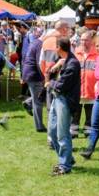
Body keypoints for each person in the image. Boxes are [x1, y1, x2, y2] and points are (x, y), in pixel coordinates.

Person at [45, 37, 81, 176]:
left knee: (62, 134)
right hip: (57, 98)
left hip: (65, 100)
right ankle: (68, 159)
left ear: (59, 48)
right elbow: (49, 73)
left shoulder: (72, 64)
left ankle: (65, 165)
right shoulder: (64, 61)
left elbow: (61, 86)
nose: (54, 49)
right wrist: (56, 66)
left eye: (56, 46)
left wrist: (50, 84)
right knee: (52, 132)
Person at [39, 20, 70, 148]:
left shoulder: (45, 41)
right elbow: (68, 60)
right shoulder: (64, 42)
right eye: (67, 28)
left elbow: (41, 61)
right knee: (61, 111)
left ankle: (50, 139)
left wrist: (46, 75)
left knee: (50, 110)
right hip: (60, 81)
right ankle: (58, 138)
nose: (68, 30)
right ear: (63, 29)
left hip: (48, 79)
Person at [71, 31, 97, 138]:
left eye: (86, 40)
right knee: (75, 112)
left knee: (89, 112)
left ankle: (88, 132)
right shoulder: (76, 53)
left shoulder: (97, 54)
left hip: (91, 89)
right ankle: (73, 132)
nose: (83, 42)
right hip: (78, 88)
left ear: (91, 41)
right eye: (81, 39)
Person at [22, 28, 46, 132]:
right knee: (38, 101)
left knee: (38, 97)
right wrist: (44, 77)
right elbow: (39, 62)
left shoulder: (35, 42)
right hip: (34, 74)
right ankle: (39, 126)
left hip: (29, 73)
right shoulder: (40, 45)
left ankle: (28, 102)